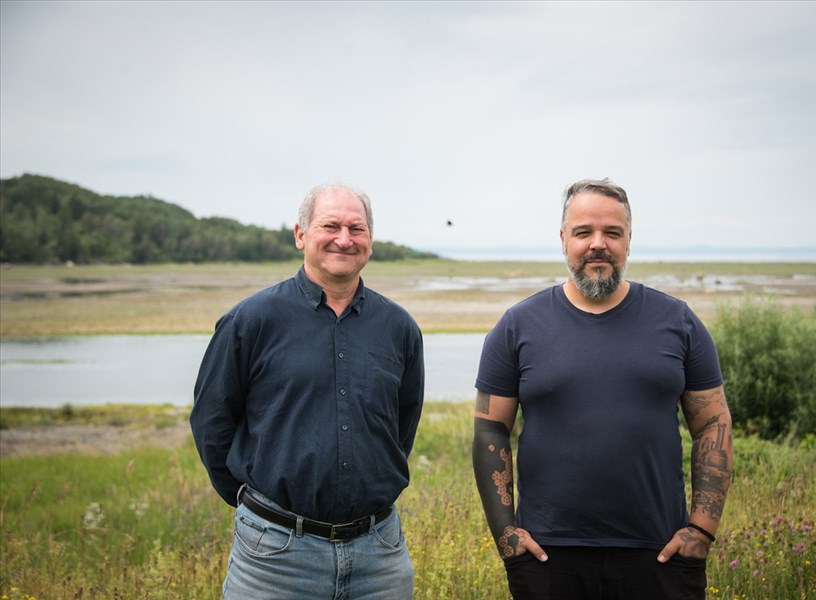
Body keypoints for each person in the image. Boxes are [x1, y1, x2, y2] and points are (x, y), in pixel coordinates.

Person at [472, 178, 733, 599]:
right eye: (583, 232)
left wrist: (701, 530)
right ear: (563, 240)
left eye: (612, 232)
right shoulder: (516, 326)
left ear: (629, 240)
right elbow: (489, 429)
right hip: (546, 557)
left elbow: (713, 425)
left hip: (660, 553)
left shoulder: (679, 322)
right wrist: (507, 536)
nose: (598, 244)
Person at [191, 183, 425, 599]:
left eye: (357, 228)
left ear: (370, 239)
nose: (344, 238)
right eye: (330, 225)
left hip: (379, 556)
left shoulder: (399, 328)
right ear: (300, 234)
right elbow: (212, 421)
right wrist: (251, 501)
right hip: (275, 559)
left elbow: (401, 426)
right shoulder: (251, 321)